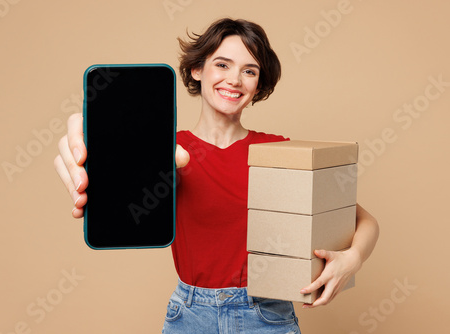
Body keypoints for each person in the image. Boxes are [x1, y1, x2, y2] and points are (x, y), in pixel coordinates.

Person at [54, 18, 379, 333]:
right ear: (198, 69)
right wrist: (94, 142)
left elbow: (362, 220)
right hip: (189, 315)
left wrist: (353, 259)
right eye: (222, 64)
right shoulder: (167, 151)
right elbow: (118, 191)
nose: (235, 80)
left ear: (258, 85)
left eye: (249, 71)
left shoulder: (276, 151)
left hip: (264, 315)